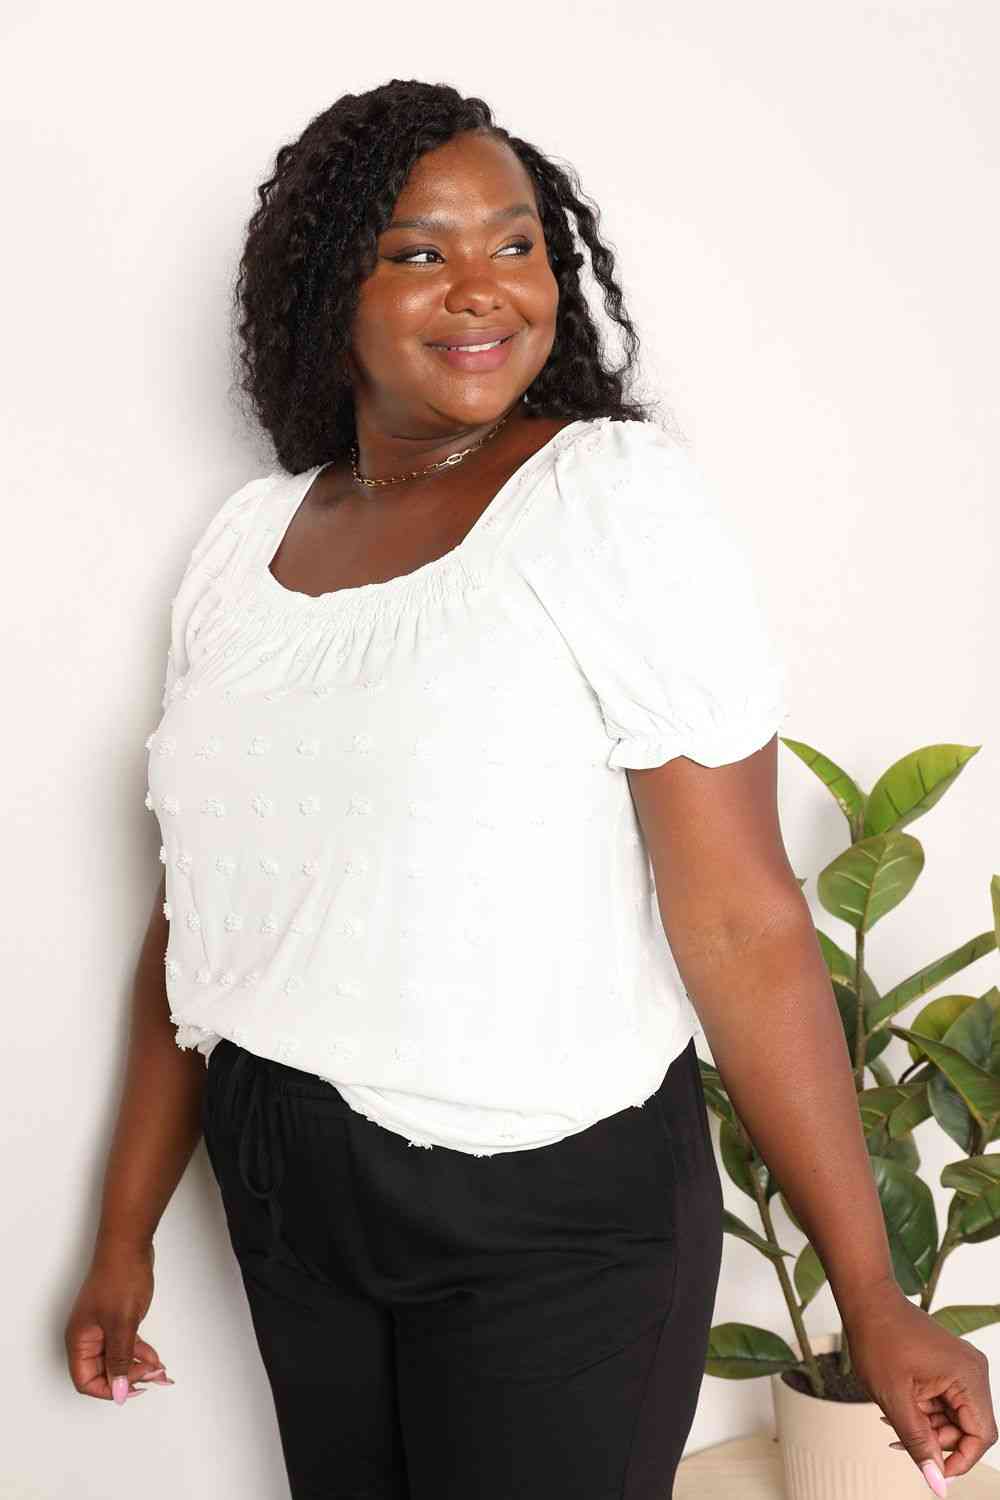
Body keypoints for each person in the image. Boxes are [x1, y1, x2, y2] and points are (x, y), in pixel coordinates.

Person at [65, 78, 995, 1500]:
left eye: (516, 244)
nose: (482, 288)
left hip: (549, 1212)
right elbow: (201, 919)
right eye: (418, 252)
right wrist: (124, 1234)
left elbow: (740, 917)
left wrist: (869, 1292)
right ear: (327, 292)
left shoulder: (607, 501)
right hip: (287, 1182)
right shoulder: (246, 547)